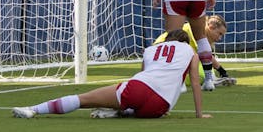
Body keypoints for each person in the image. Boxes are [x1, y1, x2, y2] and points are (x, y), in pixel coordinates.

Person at [12, 29, 210, 119]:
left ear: (167, 38)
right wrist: (199, 114)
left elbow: (142, 76)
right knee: (135, 109)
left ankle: (34, 110)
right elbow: (194, 83)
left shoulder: (151, 50)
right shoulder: (190, 51)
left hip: (139, 88)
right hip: (159, 107)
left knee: (84, 99)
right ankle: (118, 111)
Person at [153, 14, 236, 88]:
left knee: (205, 65)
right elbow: (201, 54)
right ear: (211, 27)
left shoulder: (201, 33)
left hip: (170, 54)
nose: (220, 38)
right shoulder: (197, 31)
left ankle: (211, 79)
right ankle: (171, 80)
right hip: (162, 53)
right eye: (219, 34)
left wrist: (221, 71)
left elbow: (206, 56)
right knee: (201, 74)